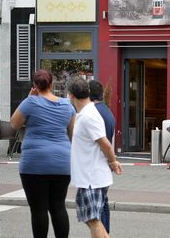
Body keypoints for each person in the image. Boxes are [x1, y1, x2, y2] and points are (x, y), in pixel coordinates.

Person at [11, 69, 76, 238]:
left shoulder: (30, 102)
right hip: (62, 162)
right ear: (52, 84)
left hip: (34, 164)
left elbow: (14, 124)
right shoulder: (67, 105)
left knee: (38, 209)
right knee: (58, 206)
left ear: (34, 85)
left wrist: (29, 97)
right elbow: (72, 134)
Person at [67, 77, 122, 238]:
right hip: (89, 177)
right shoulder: (86, 113)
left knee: (93, 220)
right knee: (91, 219)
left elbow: (105, 143)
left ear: (71, 95)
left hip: (91, 178)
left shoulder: (88, 116)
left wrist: (113, 161)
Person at [88, 80, 116, 234]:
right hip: (104, 164)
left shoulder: (94, 112)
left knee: (94, 211)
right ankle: (106, 233)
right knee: (103, 202)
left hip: (96, 164)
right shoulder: (107, 111)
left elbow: (102, 143)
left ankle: (103, 235)